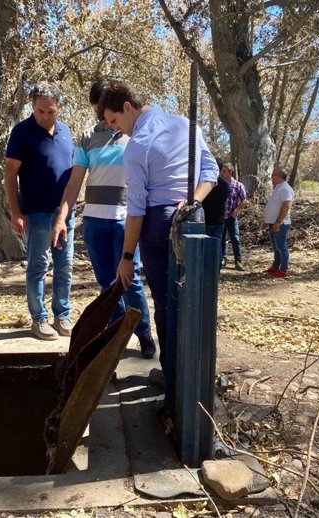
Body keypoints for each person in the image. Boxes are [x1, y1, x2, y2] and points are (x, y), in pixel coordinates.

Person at [98, 79, 218, 365]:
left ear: (127, 107)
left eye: (114, 120)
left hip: (159, 224)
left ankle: (171, 380)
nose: (115, 128)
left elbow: (136, 209)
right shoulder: (186, 125)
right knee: (193, 300)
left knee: (166, 303)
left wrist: (127, 257)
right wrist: (195, 201)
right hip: (194, 219)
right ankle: (189, 378)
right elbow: (211, 170)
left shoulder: (138, 145)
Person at [52, 80, 157, 359]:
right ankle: (115, 336)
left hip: (126, 221)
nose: (106, 121)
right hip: (95, 222)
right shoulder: (87, 138)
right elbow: (75, 183)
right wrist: (62, 217)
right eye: (100, 115)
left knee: (130, 280)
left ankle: (144, 333)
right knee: (107, 285)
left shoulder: (136, 134)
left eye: (108, 114)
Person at [4, 82, 75, 341]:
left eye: (51, 111)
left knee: (64, 266)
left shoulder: (66, 132)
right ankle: (39, 319)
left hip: (64, 213)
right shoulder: (22, 132)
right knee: (38, 266)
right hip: (36, 212)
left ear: (59, 108)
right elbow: (10, 173)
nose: (45, 116)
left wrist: (66, 213)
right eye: (40, 111)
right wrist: (15, 212)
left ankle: (62, 315)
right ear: (32, 107)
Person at [263, 165, 294, 278]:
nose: (271, 177)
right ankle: (275, 267)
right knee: (276, 247)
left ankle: (283, 269)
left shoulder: (285, 188)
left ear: (279, 176)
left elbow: (286, 206)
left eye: (273, 175)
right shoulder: (278, 187)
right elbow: (274, 205)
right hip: (272, 222)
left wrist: (278, 221)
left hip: (281, 223)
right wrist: (268, 220)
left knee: (281, 246)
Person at [202, 158, 230, 272]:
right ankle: (215, 271)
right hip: (218, 220)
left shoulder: (205, 184)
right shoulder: (225, 185)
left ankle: (207, 270)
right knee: (217, 246)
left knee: (205, 247)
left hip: (208, 220)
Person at [221, 162, 250, 271]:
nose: (222, 173)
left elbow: (245, 199)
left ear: (230, 171)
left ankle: (238, 261)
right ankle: (222, 259)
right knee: (222, 239)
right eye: (222, 171)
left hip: (232, 217)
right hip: (220, 217)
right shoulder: (220, 184)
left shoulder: (238, 185)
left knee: (235, 239)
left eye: (224, 171)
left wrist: (237, 210)